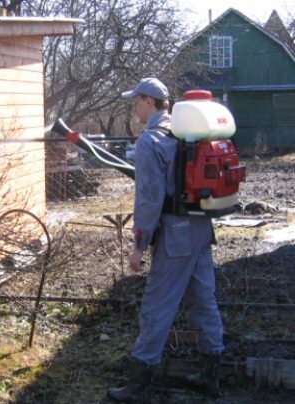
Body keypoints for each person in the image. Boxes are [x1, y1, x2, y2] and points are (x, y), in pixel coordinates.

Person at [107, 78, 224, 402]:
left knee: (157, 307)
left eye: (136, 101)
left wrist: (138, 245)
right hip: (202, 229)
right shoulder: (187, 132)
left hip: (176, 236)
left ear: (149, 102)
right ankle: (211, 374)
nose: (133, 107)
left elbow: (149, 199)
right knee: (203, 301)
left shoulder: (150, 141)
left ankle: (138, 386)